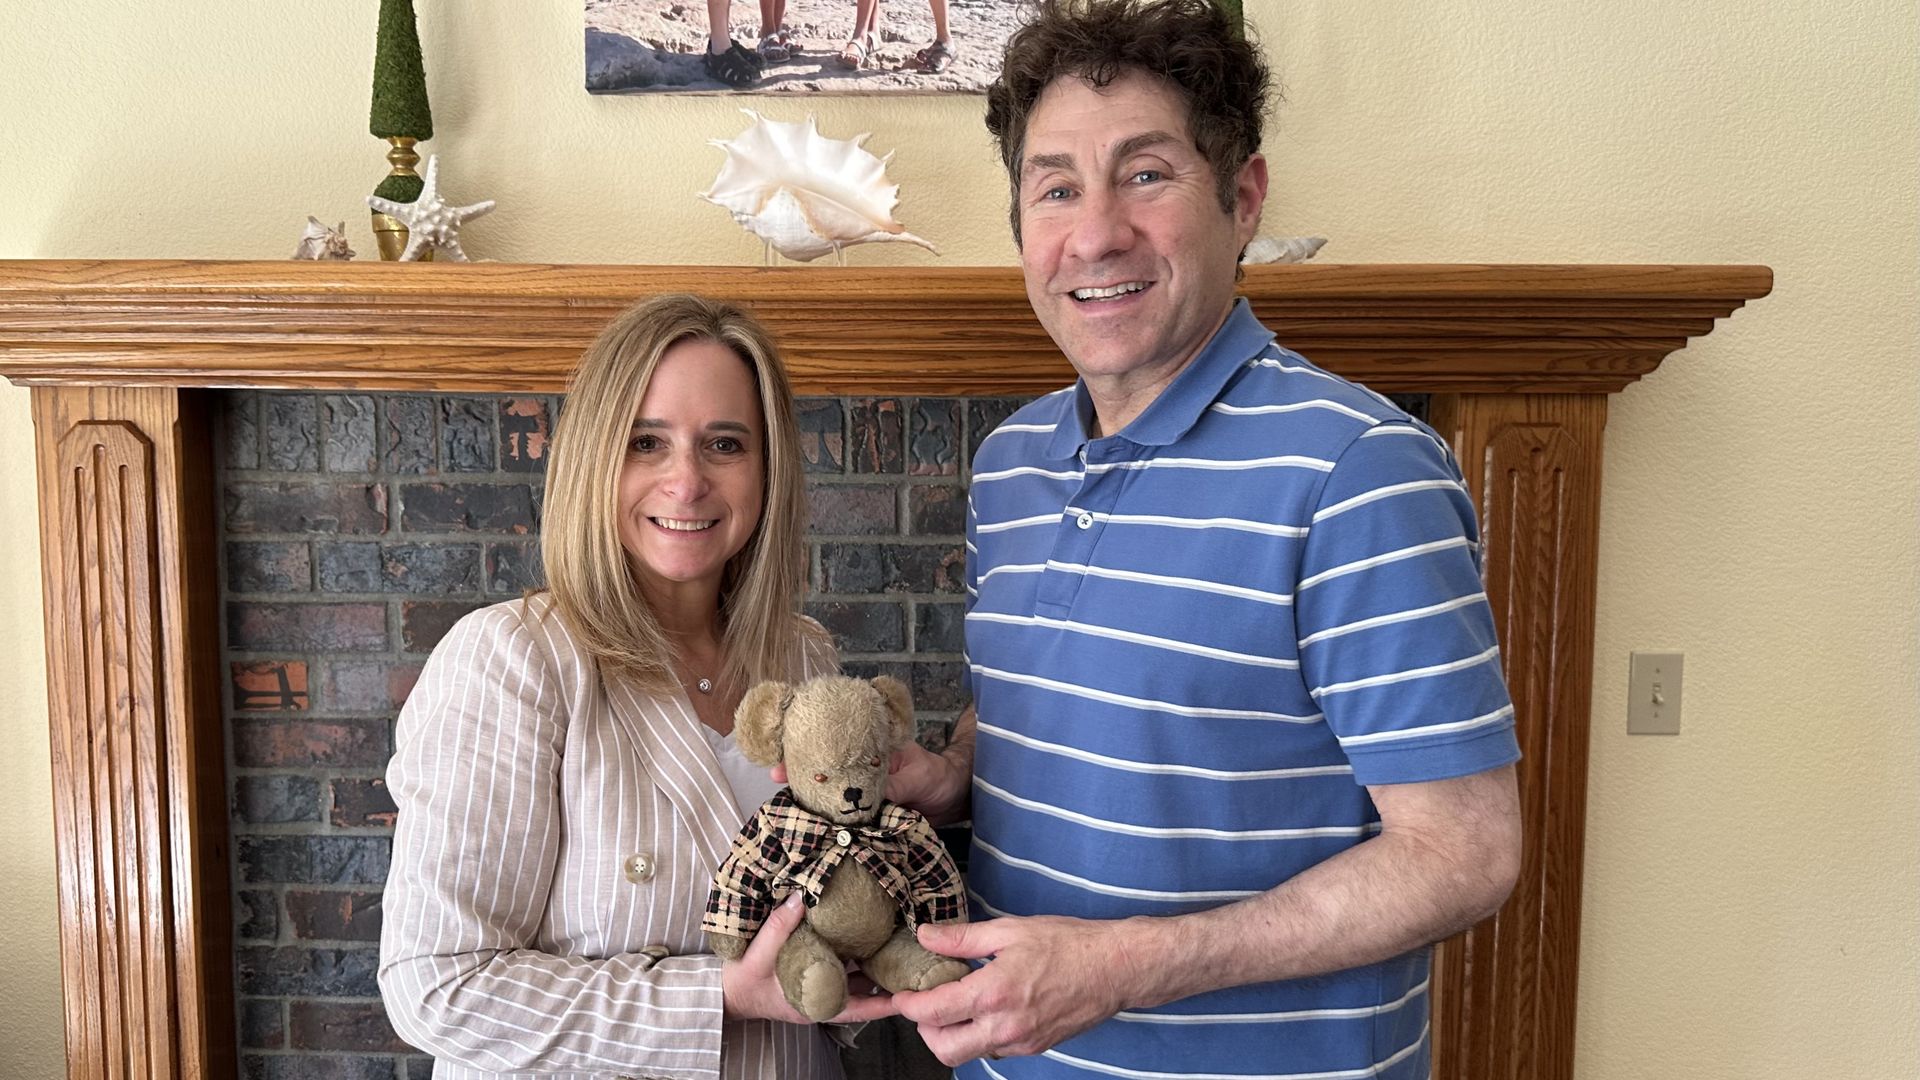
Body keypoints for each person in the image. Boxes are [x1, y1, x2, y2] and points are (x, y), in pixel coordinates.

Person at [882, 0, 1525, 1075]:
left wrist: (1125, 966)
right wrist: (956, 774)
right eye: (1055, 188)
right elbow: (1060, 696)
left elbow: (1463, 856)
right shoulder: (1013, 464)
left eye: (1145, 174)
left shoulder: (1357, 470)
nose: (1094, 233)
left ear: (1242, 196)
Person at [379, 294, 897, 1079]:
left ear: (768, 471)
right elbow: (439, 985)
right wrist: (718, 996)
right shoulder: (512, 659)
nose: (685, 482)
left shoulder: (803, 655)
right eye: (646, 442)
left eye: (724, 443)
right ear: (595, 460)